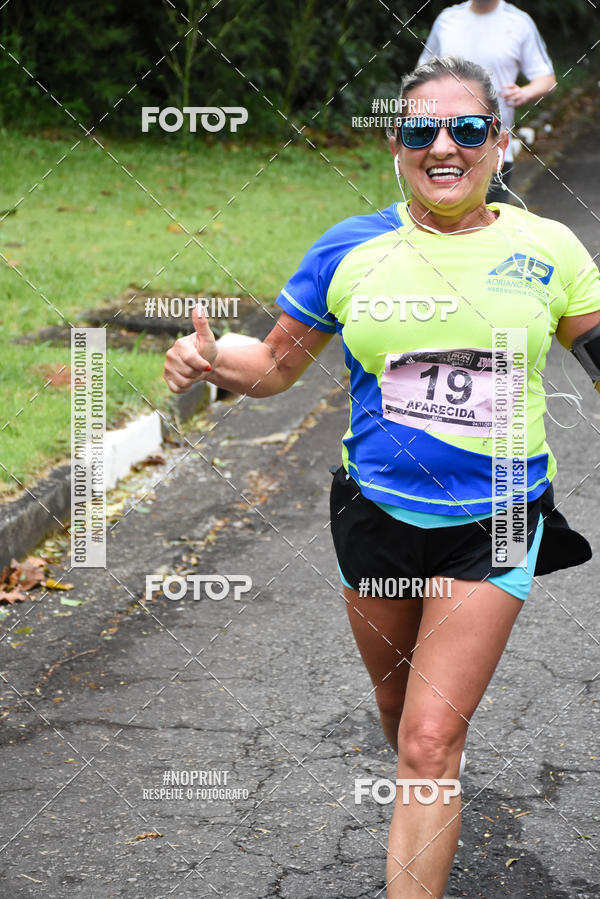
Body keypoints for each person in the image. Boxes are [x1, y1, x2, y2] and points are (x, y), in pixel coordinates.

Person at [163, 57, 600, 898]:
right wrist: (213, 360)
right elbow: (276, 365)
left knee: (430, 742)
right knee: (400, 714)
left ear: (499, 142)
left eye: (467, 128)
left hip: (500, 516)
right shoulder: (351, 246)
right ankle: (419, 779)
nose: (444, 146)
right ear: (395, 143)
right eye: (420, 129)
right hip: (375, 515)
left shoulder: (548, 248)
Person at [418, 0, 556, 201]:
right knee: (442, 218)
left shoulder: (519, 22)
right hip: (443, 150)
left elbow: (547, 79)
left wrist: (525, 93)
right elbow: (421, 75)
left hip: (494, 152)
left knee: (489, 219)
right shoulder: (447, 19)